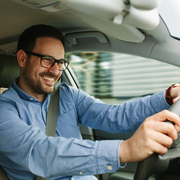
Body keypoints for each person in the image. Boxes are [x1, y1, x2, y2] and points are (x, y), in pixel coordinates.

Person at [0, 24, 180, 180]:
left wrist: (168, 96)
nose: (55, 71)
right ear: (22, 58)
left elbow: (114, 116)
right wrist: (124, 150)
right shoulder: (4, 110)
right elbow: (40, 152)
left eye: (61, 62)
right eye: (47, 60)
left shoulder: (67, 96)